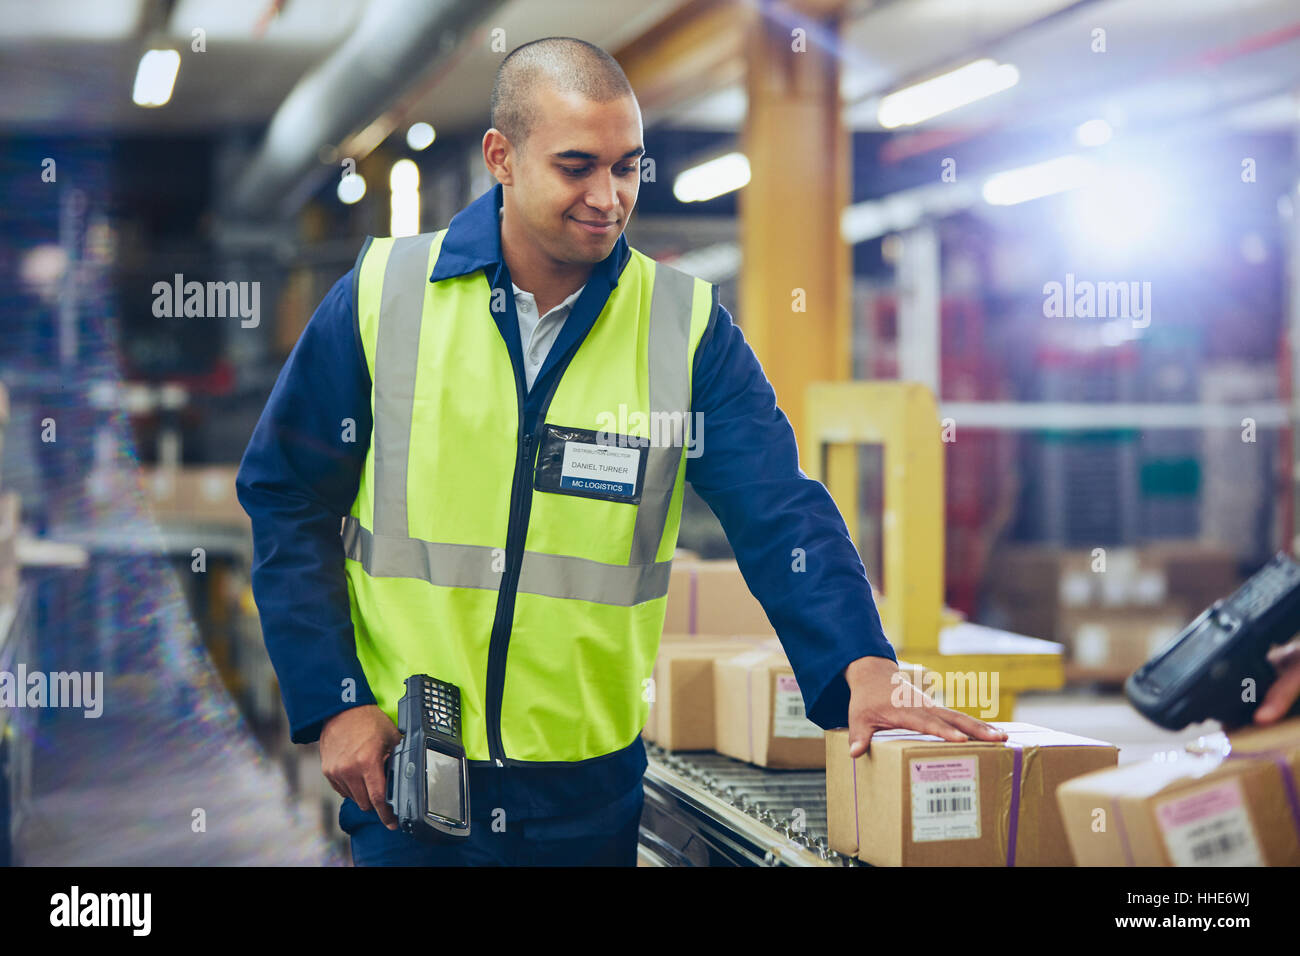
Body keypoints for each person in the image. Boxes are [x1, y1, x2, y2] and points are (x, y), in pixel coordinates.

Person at [235, 36, 1005, 868]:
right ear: (502, 156)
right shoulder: (387, 295)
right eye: (577, 166)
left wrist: (860, 661)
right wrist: (334, 702)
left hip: (584, 793)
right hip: (410, 778)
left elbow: (776, 506)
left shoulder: (684, 326)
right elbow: (287, 497)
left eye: (628, 167)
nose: (609, 197)